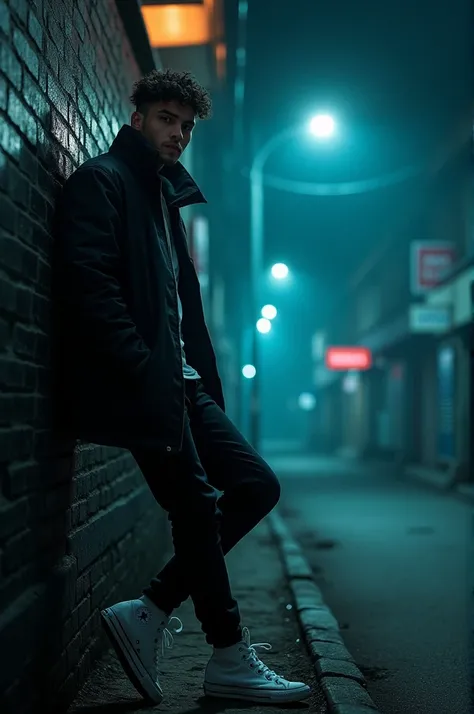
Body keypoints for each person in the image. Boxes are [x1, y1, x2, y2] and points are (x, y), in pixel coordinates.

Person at [53, 69, 311, 705]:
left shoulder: (164, 200)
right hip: (144, 384)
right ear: (137, 118)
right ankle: (228, 653)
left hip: (181, 383)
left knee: (255, 484)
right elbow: (91, 289)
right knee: (195, 505)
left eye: (187, 125)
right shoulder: (102, 183)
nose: (178, 133)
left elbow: (181, 308)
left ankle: (150, 609)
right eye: (166, 119)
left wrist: (196, 376)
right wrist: (144, 367)